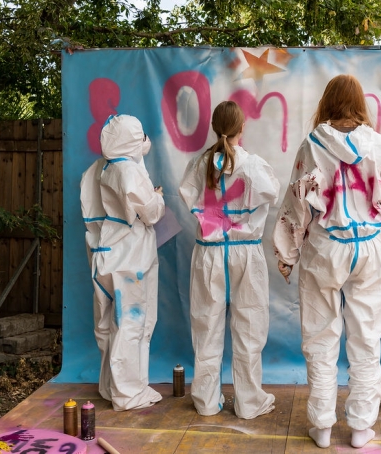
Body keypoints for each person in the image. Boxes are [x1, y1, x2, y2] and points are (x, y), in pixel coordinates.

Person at [272, 74, 381, 449]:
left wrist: (288, 254)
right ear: (360, 103)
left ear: (327, 102)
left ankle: (322, 427)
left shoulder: (313, 145)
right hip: (369, 247)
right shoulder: (379, 144)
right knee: (367, 339)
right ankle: (362, 427)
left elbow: (297, 201)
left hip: (326, 247)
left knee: (320, 337)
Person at [179, 100, 279, 419]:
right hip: (245, 252)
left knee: (205, 326)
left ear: (213, 128)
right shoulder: (254, 165)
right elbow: (273, 193)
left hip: (208, 254)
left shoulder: (198, 165)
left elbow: (188, 196)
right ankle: (249, 403)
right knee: (250, 327)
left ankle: (206, 401)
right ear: (241, 128)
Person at [80, 114, 166, 411]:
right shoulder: (129, 171)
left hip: (102, 253)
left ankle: (110, 387)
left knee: (106, 324)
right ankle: (129, 393)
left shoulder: (94, 170)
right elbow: (151, 214)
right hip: (130, 255)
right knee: (132, 322)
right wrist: (157, 196)